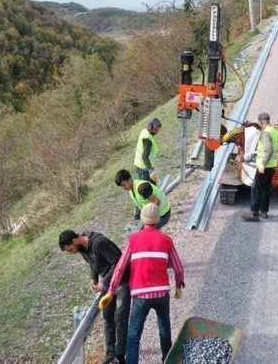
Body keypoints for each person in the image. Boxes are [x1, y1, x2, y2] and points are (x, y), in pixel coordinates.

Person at [99, 204, 185, 364]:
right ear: (158, 220)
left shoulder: (133, 240)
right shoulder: (166, 240)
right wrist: (178, 286)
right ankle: (167, 359)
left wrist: (111, 291)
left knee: (134, 335)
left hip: (140, 295)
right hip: (162, 294)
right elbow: (178, 267)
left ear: (143, 220)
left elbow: (119, 268)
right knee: (164, 330)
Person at [59, 230, 130, 364]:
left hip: (122, 282)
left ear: (74, 241)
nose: (71, 252)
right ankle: (110, 354)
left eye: (70, 249)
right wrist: (94, 279)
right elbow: (93, 264)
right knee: (108, 317)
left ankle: (120, 357)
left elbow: (119, 262)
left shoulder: (99, 243)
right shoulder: (83, 248)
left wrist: (104, 281)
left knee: (120, 318)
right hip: (108, 285)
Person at [242, 112, 278, 222]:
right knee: (265, 189)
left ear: (262, 122)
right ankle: (264, 212)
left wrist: (262, 163)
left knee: (256, 188)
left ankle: (254, 214)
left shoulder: (265, 133)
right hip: (272, 166)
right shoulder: (274, 131)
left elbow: (268, 150)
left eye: (259, 122)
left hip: (265, 166)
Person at [134, 118, 162, 182]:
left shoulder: (144, 131)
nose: (158, 132)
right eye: (157, 130)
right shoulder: (147, 139)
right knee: (147, 188)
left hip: (141, 166)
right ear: (152, 128)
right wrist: (151, 170)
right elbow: (145, 156)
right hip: (144, 168)